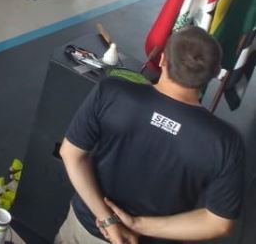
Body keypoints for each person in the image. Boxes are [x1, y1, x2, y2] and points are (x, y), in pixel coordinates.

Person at [56, 26, 242, 244]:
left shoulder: (111, 92)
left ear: (162, 60)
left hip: (88, 228)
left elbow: (71, 154)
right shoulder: (225, 141)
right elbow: (220, 223)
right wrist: (138, 225)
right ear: (213, 74)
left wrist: (109, 220)